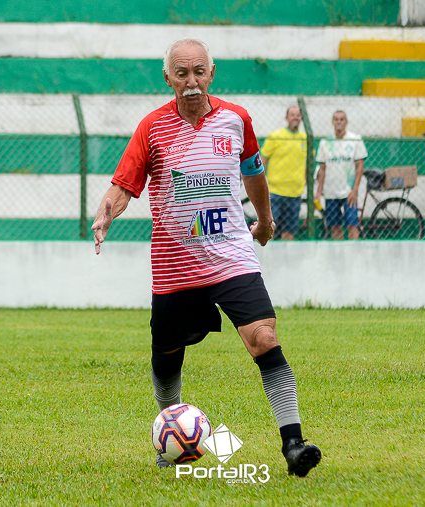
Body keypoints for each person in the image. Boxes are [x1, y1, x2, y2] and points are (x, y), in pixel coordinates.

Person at [91, 39, 321, 477]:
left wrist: (265, 221)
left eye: (199, 72)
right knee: (167, 356)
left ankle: (294, 445)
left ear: (211, 73)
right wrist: (106, 215)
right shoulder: (152, 128)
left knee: (264, 338)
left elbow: (254, 173)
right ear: (168, 78)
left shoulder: (236, 119)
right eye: (182, 74)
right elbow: (124, 185)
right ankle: (171, 435)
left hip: (232, 255)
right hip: (175, 263)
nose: (192, 81)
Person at [315, 110, 368, 240]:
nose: (339, 122)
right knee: (335, 227)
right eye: (336, 119)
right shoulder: (325, 142)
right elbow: (322, 169)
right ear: (332, 122)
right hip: (331, 192)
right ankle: (338, 252)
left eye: (342, 119)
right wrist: (319, 192)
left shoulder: (355, 140)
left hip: (349, 193)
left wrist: (355, 190)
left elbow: (360, 166)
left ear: (346, 122)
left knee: (352, 226)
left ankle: (354, 252)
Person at [260, 106, 307, 240]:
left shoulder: (305, 139)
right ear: (286, 118)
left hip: (295, 193)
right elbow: (263, 161)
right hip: (275, 193)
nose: (295, 117)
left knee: (289, 233)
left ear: (301, 118)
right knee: (270, 231)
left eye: (298, 115)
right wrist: (262, 185)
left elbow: (307, 165)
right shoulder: (275, 137)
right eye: (292, 115)